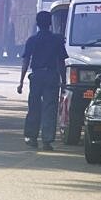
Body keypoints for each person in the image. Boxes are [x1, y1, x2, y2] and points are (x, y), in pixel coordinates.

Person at [17, 11, 68, 151]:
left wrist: (21, 82)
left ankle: (31, 137)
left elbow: (26, 61)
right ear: (50, 23)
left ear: (37, 24)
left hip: (37, 75)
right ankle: (47, 140)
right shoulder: (57, 40)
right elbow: (61, 62)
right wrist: (63, 81)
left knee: (34, 106)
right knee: (50, 108)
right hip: (52, 76)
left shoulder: (32, 40)